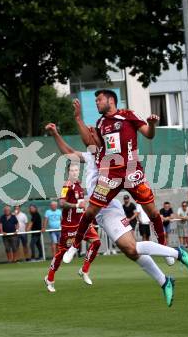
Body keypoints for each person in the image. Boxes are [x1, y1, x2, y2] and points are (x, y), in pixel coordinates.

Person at [45, 120, 188, 307]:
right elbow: (69, 153)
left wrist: (79, 119)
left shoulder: (109, 153)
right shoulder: (91, 155)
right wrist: (55, 133)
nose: (89, 133)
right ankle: (165, 280)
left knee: (131, 248)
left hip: (107, 208)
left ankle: (177, 253)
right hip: (101, 209)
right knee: (131, 251)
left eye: (93, 132)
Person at [63, 90, 167, 264]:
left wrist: (152, 124)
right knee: (90, 211)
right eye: (96, 100)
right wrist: (79, 120)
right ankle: (74, 246)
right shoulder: (101, 123)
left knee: (153, 212)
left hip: (133, 173)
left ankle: (164, 247)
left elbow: (149, 134)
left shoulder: (128, 115)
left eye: (99, 99)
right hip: (110, 175)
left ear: (111, 100)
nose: (96, 102)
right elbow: (93, 145)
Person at [45, 162, 101, 292]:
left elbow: (81, 205)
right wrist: (76, 206)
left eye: (76, 170)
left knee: (97, 242)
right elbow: (61, 203)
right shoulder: (67, 185)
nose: (75, 172)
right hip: (69, 226)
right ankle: (50, 278)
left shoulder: (78, 185)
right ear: (68, 172)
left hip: (82, 223)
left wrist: (86, 215)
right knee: (62, 252)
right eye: (72, 170)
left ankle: (84, 270)